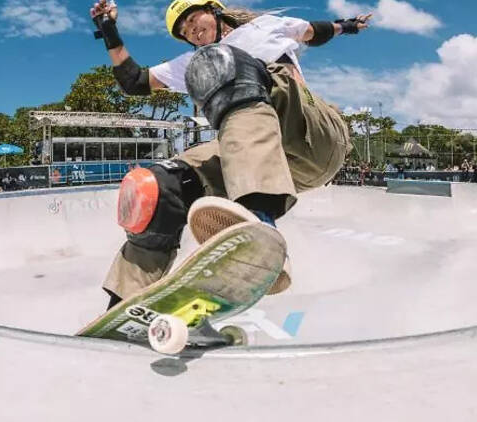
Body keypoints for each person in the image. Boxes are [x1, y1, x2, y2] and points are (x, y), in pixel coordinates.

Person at [90, 0, 371, 308]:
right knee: (164, 185)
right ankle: (125, 304)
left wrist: (348, 25)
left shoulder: (265, 28)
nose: (192, 31)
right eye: (184, 31)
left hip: (313, 138)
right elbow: (134, 81)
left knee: (221, 62)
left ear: (215, 10)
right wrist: (108, 28)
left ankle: (258, 227)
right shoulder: (192, 62)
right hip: (266, 161)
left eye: (193, 19)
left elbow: (315, 31)